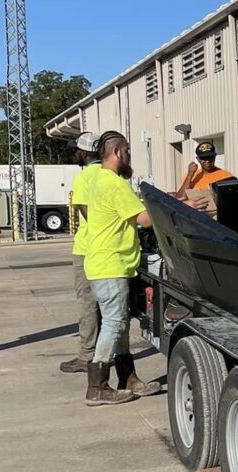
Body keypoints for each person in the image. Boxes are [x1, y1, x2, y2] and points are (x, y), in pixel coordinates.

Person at [82, 131, 161, 405]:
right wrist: (176, 207)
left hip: (108, 264)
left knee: (121, 324)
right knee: (115, 322)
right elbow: (145, 219)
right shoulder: (114, 184)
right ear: (118, 152)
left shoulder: (100, 181)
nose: (129, 156)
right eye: (127, 151)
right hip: (110, 264)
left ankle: (128, 377)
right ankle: (97, 386)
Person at [60, 132, 103, 374]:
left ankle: (87, 355)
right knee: (106, 305)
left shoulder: (84, 177)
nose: (75, 154)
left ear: (85, 153)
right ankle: (105, 352)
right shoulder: (111, 174)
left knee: (87, 302)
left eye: (76, 150)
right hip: (108, 250)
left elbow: (89, 216)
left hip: (88, 249)